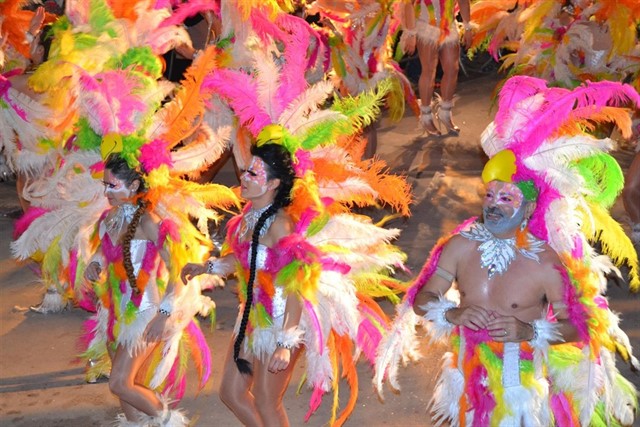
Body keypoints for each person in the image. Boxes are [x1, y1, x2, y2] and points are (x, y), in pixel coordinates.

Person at [375, 76, 639, 425]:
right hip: (467, 377)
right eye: (489, 196)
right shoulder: (459, 245)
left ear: (528, 209)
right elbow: (423, 300)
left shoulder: (546, 261)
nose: (494, 205)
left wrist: (529, 332)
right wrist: (452, 314)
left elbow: (580, 327)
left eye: (506, 198)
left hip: (522, 386)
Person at [82, 153, 210, 426]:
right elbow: (103, 251)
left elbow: (177, 269)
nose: (106, 192)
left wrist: (163, 314)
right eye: (105, 185)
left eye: (112, 186)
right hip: (114, 309)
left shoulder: (148, 222)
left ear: (134, 186)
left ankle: (167, 420)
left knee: (119, 382)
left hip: (145, 312)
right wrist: (93, 263)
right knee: (128, 383)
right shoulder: (110, 218)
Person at [182, 140, 302, 426]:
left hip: (281, 319)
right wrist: (207, 267)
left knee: (265, 399)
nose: (243, 178)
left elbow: (296, 287)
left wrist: (285, 343)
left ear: (273, 183)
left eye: (253, 174)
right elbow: (244, 259)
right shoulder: (249, 215)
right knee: (231, 392)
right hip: (251, 314)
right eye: (245, 170)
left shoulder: (281, 226)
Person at [399, 0, 473, 135]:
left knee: (453, 69)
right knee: (429, 70)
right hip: (426, 26)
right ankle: (426, 116)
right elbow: (409, 4)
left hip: (448, 26)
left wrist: (467, 27)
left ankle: (445, 112)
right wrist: (411, 33)